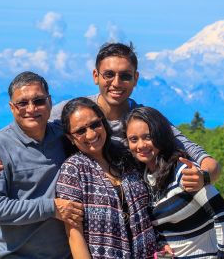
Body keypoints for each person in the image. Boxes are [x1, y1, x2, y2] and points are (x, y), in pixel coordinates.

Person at [0, 42, 219, 192]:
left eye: (125, 76)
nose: (116, 83)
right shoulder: (73, 112)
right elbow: (21, 127)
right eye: (108, 74)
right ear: (95, 76)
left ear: (136, 78)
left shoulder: (147, 122)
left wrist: (203, 177)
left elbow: (207, 161)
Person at [0, 71, 83, 258]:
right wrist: (51, 208)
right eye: (22, 103)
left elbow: (101, 109)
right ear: (12, 107)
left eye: (39, 101)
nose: (31, 108)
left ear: (50, 102)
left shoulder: (64, 133)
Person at [125, 107, 224, 259]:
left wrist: (223, 256)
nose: (141, 145)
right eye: (134, 139)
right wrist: (161, 243)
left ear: (160, 136)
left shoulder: (183, 172)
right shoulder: (145, 179)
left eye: (147, 137)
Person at [56, 97, 156, 258]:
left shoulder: (126, 157)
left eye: (95, 124)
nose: (91, 134)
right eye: (81, 131)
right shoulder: (73, 170)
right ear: (70, 138)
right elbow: (74, 234)